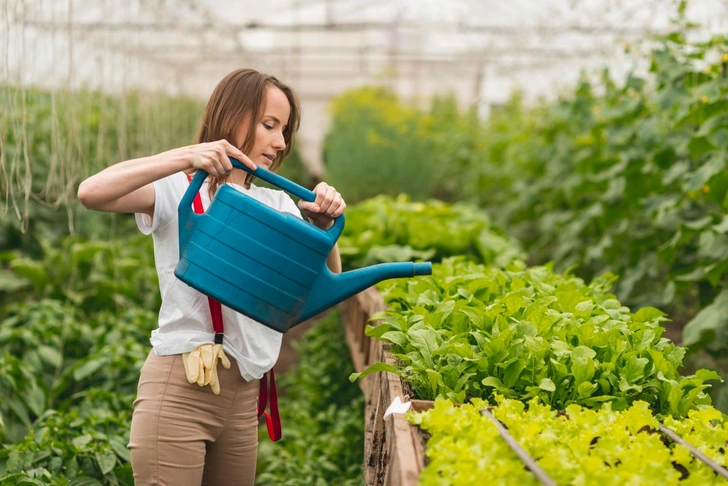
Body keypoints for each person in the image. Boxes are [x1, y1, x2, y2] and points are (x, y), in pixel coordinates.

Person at [77, 68, 346, 486]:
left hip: (243, 396)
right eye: (268, 125)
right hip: (181, 388)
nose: (279, 142)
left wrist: (324, 228)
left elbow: (327, 281)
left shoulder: (278, 202)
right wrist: (188, 156)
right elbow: (92, 192)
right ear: (231, 117)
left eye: (284, 131)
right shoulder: (178, 190)